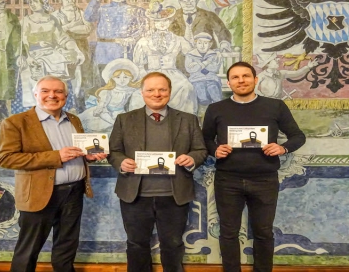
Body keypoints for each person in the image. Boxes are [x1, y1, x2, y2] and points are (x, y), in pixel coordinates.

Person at [202, 62, 306, 272]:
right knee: (228, 233)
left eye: (246, 76)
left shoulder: (275, 106)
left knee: (263, 232)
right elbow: (204, 140)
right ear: (229, 82)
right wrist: (215, 150)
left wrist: (282, 148)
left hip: (265, 180)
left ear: (255, 79)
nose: (241, 80)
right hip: (227, 180)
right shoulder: (216, 109)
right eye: (236, 77)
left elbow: (298, 137)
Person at [0, 75, 107, 272]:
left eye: (58, 92)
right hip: (39, 194)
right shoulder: (15, 122)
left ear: (66, 96)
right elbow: (7, 159)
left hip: (74, 192)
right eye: (46, 91)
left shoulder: (74, 119)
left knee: (66, 247)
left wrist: (87, 157)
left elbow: (76, 152)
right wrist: (56, 156)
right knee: (28, 250)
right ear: (35, 95)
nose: (52, 95)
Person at [108, 72, 207, 272]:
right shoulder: (124, 119)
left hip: (174, 194)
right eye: (151, 89)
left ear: (169, 92)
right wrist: (121, 162)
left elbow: (201, 150)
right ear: (142, 92)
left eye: (162, 89)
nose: (157, 94)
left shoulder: (187, 120)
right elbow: (113, 152)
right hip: (134, 195)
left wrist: (192, 159)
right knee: (136, 245)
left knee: (172, 245)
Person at [133, 5, 197, 114]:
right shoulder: (144, 41)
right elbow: (138, 63)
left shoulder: (178, 39)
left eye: (165, 21)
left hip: (173, 73)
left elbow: (192, 54)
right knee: (138, 94)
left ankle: (183, 120)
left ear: (170, 21)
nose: (162, 24)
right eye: (158, 21)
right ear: (153, 22)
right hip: (151, 74)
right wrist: (142, 74)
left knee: (186, 87)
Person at [78, 58, 141, 132]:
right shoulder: (108, 92)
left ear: (131, 78)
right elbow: (102, 107)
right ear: (112, 78)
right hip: (107, 113)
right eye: (118, 77)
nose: (122, 80)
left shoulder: (131, 90)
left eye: (125, 77)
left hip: (121, 113)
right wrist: (103, 112)